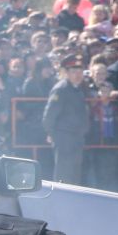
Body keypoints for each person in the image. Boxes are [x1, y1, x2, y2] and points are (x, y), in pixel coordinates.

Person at [42, 55, 91, 185]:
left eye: (80, 71)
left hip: (76, 136)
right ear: (66, 73)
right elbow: (49, 115)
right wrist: (52, 134)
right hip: (64, 136)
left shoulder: (78, 89)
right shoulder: (61, 89)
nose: (77, 75)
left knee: (75, 172)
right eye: (74, 72)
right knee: (63, 172)